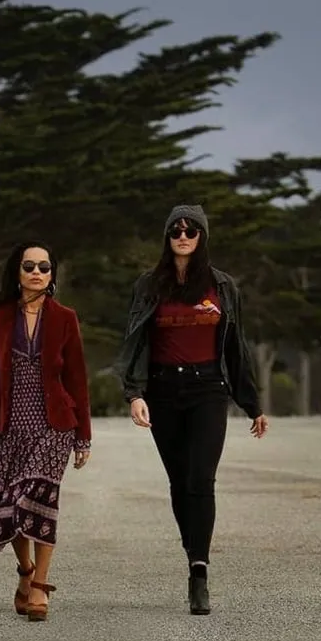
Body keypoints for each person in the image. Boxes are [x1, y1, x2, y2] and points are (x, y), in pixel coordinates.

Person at [114, 203, 269, 615]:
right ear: (167, 237)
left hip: (208, 390)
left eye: (191, 230)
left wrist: (252, 404)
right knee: (180, 482)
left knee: (201, 478)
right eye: (176, 230)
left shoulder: (222, 287)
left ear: (202, 237)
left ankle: (198, 572)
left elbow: (236, 347)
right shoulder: (149, 286)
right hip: (163, 390)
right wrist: (135, 394)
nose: (183, 236)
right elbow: (134, 343)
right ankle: (193, 544)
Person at [0, 242, 92, 622]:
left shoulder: (65, 318)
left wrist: (83, 436)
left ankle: (40, 584)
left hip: (52, 426)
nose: (37, 272)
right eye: (29, 266)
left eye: (44, 266)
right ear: (17, 272)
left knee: (40, 500)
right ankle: (24, 572)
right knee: (12, 504)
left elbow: (77, 379)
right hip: (8, 424)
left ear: (52, 274)